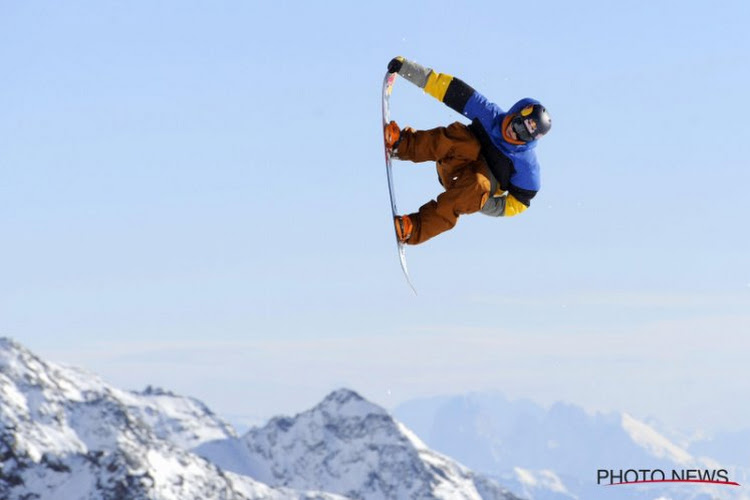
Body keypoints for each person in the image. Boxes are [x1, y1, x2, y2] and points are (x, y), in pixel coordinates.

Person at [385, 56, 551, 245]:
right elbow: (446, 88)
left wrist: (487, 205)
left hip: (470, 191)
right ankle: (401, 145)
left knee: (478, 185)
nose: (514, 132)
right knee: (463, 139)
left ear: (529, 141)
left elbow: (520, 203)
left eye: (523, 135)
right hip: (453, 164)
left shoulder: (527, 168)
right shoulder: (489, 114)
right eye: (518, 124)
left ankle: (412, 229)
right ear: (515, 113)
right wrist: (406, 68)